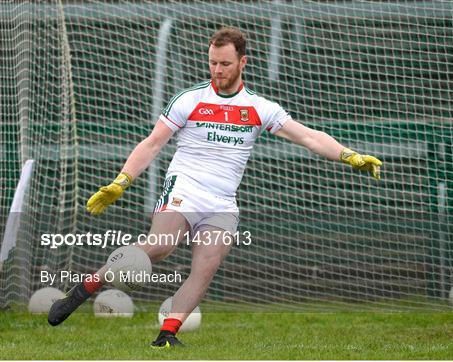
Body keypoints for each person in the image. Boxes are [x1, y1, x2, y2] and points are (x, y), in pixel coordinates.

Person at [48, 27, 382, 348]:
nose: (217, 70)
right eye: (212, 62)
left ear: (242, 62)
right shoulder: (190, 99)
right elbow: (152, 144)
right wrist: (122, 181)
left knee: (206, 266)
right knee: (160, 247)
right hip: (185, 189)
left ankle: (166, 336)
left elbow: (308, 136)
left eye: (224, 63)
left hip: (222, 201)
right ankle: (84, 288)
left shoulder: (259, 108)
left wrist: (348, 155)